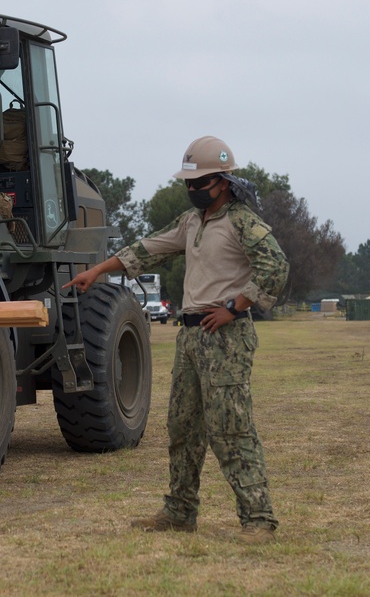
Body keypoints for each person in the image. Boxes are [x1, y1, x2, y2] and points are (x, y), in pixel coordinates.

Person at [64, 135, 289, 544]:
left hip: (225, 336)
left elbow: (275, 266)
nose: (192, 190)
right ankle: (180, 512)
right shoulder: (191, 222)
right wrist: (96, 271)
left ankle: (259, 520)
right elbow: (147, 249)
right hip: (190, 337)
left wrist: (236, 307)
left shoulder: (242, 222)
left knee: (231, 428)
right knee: (182, 426)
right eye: (189, 183)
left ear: (222, 182)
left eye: (199, 184)